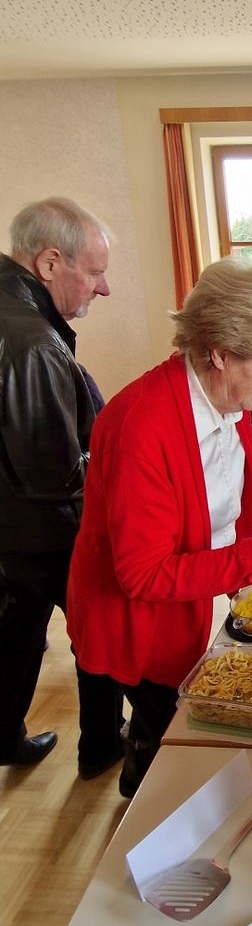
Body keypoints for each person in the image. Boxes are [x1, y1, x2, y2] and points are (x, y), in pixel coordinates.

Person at [67, 259, 252, 797]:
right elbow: (143, 575)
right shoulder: (143, 426)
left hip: (191, 601)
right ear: (221, 352)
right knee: (169, 737)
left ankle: (145, 772)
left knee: (173, 730)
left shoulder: (224, 399)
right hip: (139, 623)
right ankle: (144, 796)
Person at [0, 197, 124, 774]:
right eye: (95, 272)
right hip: (46, 532)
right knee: (99, 630)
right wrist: (116, 461)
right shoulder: (34, 342)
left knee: (16, 633)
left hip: (10, 529)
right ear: (50, 263)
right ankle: (101, 746)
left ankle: (4, 738)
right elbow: (55, 473)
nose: (103, 288)